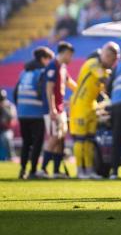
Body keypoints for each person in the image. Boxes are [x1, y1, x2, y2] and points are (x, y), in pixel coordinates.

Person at [69, 42, 120, 179]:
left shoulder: (103, 69)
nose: (113, 63)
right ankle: (80, 171)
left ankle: (90, 171)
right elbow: (104, 78)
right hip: (80, 105)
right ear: (106, 55)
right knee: (80, 140)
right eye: (113, 60)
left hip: (91, 106)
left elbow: (103, 91)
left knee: (90, 141)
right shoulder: (93, 63)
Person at [15, 47, 54, 179]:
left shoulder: (24, 72)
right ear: (43, 59)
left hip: (22, 113)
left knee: (26, 142)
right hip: (36, 113)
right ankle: (33, 171)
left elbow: (15, 93)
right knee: (37, 142)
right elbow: (41, 92)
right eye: (49, 59)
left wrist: (20, 107)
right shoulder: (42, 71)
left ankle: (22, 170)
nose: (50, 62)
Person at [42, 41, 76, 178]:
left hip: (60, 107)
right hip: (53, 109)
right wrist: (52, 109)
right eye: (70, 55)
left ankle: (56, 171)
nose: (71, 59)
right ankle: (43, 169)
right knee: (56, 136)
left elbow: (71, 84)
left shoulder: (62, 67)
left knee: (60, 137)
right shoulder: (53, 66)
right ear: (65, 53)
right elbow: (49, 89)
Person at [0, 89, 17, 161]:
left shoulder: (9, 106)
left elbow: (13, 119)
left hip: (5, 130)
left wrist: (3, 108)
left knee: (6, 137)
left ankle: (11, 157)